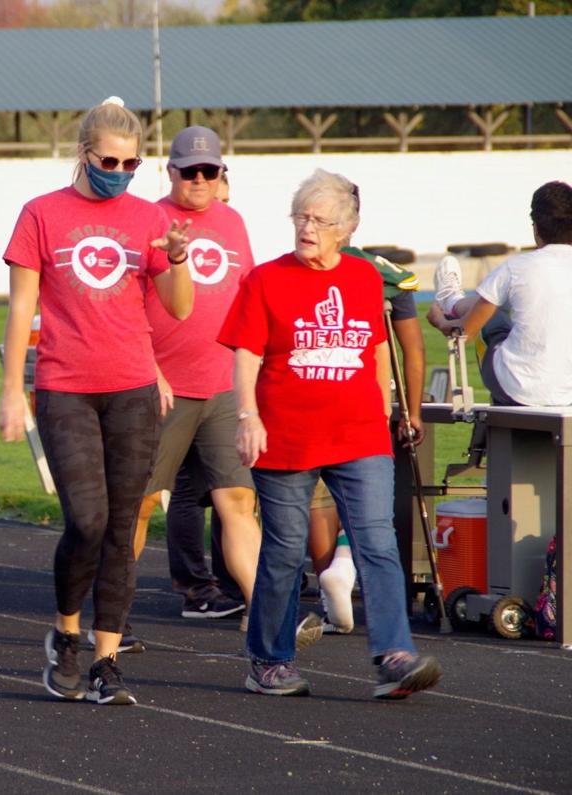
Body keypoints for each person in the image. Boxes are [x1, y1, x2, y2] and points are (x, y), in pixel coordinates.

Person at [218, 168, 441, 700]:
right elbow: (246, 354)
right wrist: (248, 417)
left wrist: (387, 402)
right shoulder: (265, 279)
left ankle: (393, 654)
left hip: (359, 435)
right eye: (301, 216)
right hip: (286, 438)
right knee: (285, 551)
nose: (307, 227)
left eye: (320, 219)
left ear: (347, 228)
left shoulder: (365, 278)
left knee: (379, 543)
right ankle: (269, 659)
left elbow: (376, 347)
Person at [0, 97, 193, 706]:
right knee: (86, 521)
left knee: (122, 526)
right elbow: (21, 308)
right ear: (83, 154)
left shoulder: (148, 218)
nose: (120, 170)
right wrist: (11, 390)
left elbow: (179, 306)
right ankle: (65, 633)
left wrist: (180, 259)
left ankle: (107, 661)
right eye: (109, 160)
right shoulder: (40, 214)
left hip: (133, 388)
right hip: (64, 387)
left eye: (132, 163)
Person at [130, 126, 259, 636]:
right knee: (139, 505)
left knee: (237, 501)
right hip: (162, 385)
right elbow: (128, 306)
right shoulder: (147, 220)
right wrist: (150, 369)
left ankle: (266, 610)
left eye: (211, 171)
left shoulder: (233, 221)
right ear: (171, 171)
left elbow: (248, 295)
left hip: (224, 385)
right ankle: (114, 608)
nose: (201, 179)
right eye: (191, 171)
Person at [308, 210, 428, 635]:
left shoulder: (297, 266)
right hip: (367, 404)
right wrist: (411, 411)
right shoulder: (387, 274)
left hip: (313, 397)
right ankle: (344, 566)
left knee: (319, 499)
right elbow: (411, 349)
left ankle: (329, 586)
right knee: (367, 509)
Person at [428, 180, 572, 408]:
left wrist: (438, 320)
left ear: (535, 227)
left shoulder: (515, 268)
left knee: (491, 318)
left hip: (517, 389)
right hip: (567, 395)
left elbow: (464, 332)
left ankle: (450, 300)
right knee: (500, 307)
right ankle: (456, 300)